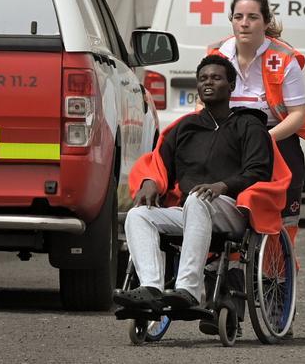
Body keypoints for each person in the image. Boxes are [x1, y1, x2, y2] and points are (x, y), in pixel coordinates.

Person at [113, 55, 287, 312]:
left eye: (216, 78)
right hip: (189, 209)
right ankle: (151, 287)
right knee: (138, 215)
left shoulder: (249, 125)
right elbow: (159, 164)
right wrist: (150, 182)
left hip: (232, 209)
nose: (208, 83)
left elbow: (258, 171)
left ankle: (189, 290)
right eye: (203, 78)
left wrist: (222, 186)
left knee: (197, 199)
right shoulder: (185, 127)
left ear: (231, 86)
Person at [206, 0, 305, 258]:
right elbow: (203, 106)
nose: (244, 23)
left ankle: (280, 281)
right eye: (238, 16)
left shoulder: (284, 58)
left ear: (266, 21)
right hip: (230, 141)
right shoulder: (218, 55)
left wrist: (264, 139)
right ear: (231, 21)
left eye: (252, 17)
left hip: (276, 141)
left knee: (279, 220)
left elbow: (298, 115)